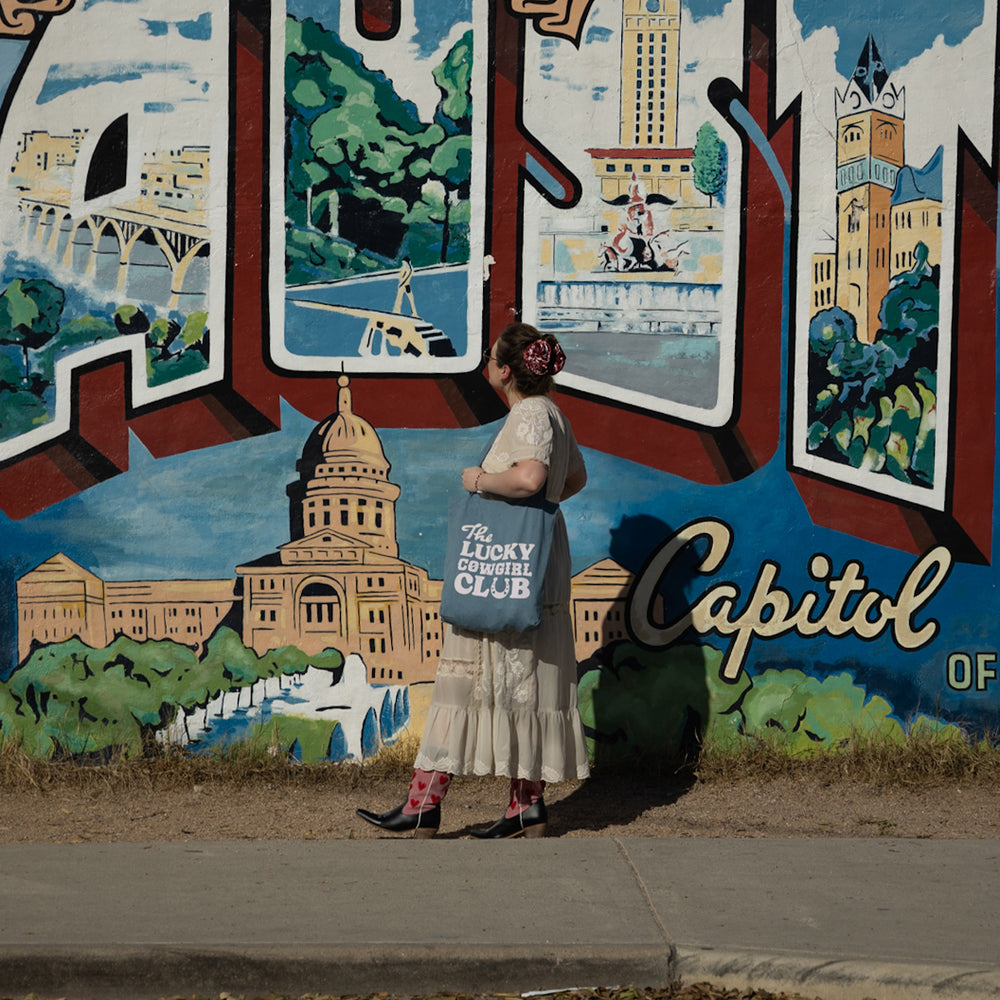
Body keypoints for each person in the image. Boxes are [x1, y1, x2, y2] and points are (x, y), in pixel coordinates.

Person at [357, 323, 590, 839]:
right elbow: (572, 479)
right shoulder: (553, 414)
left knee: (461, 678)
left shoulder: (528, 413)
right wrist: (540, 514)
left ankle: (424, 804)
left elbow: (530, 477)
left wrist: (481, 482)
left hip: (502, 569)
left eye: (490, 358)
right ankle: (525, 806)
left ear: (505, 371)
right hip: (536, 561)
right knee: (526, 683)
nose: (485, 364)